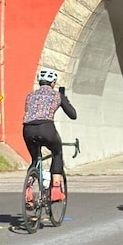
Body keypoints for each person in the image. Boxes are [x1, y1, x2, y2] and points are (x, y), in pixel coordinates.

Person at [23, 68, 77, 202]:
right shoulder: (57, 95)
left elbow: (30, 113)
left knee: (35, 159)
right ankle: (56, 190)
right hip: (46, 128)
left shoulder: (30, 96)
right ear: (53, 83)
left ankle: (28, 190)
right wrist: (64, 99)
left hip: (28, 129)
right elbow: (73, 115)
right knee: (57, 153)